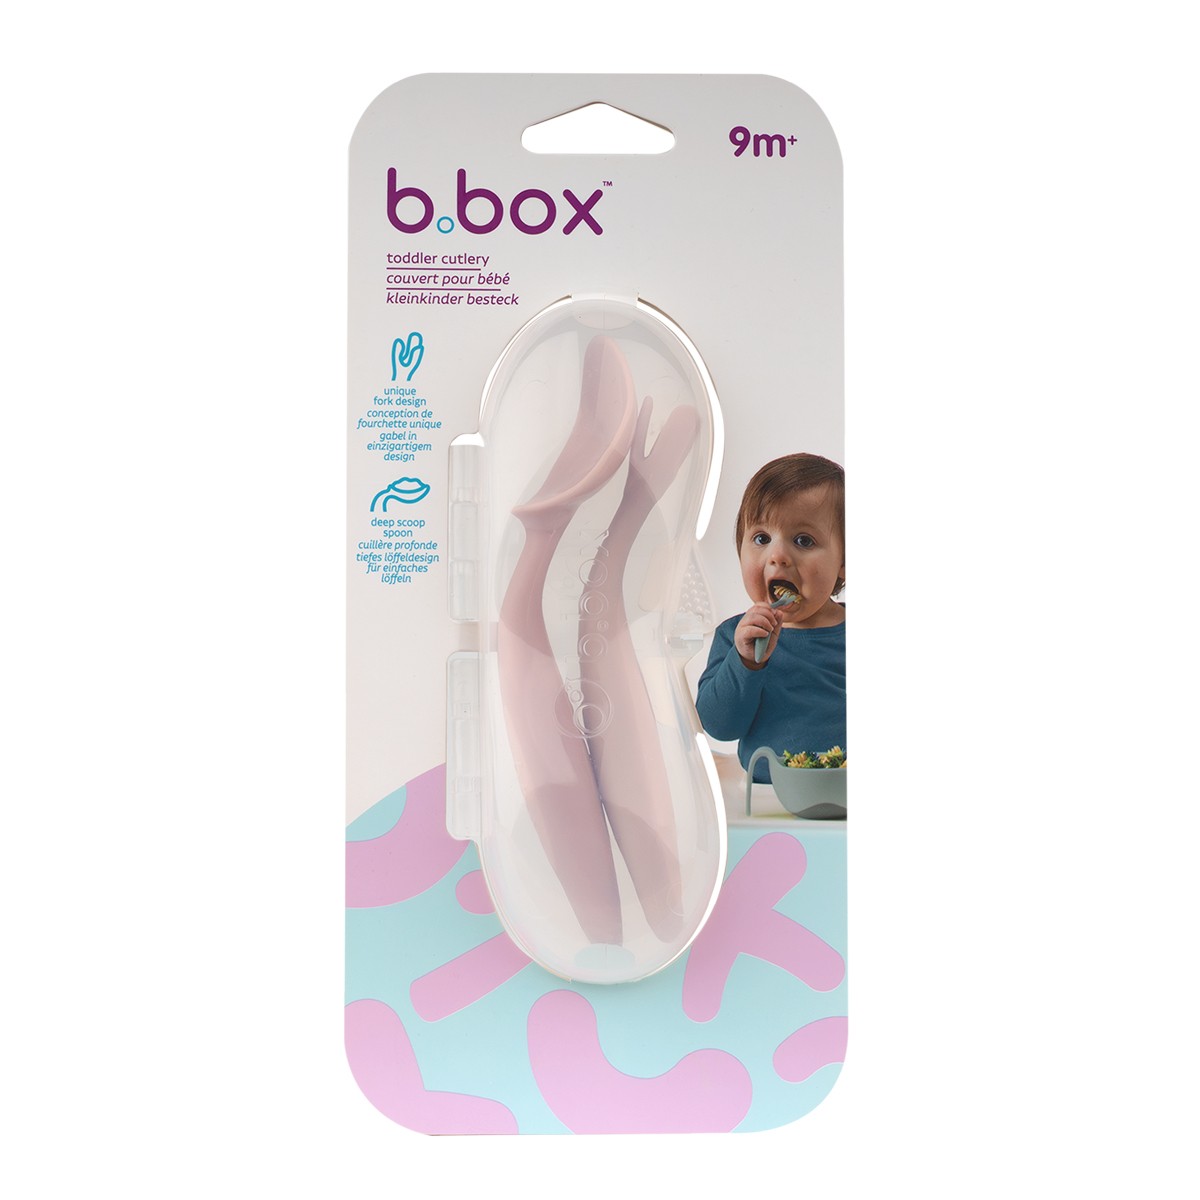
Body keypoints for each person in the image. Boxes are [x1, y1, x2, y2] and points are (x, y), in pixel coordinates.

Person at [696, 453, 846, 783]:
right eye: (761, 538)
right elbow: (719, 726)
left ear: (844, 561)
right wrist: (746, 662)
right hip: (764, 794)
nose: (777, 556)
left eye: (803, 541)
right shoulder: (735, 637)